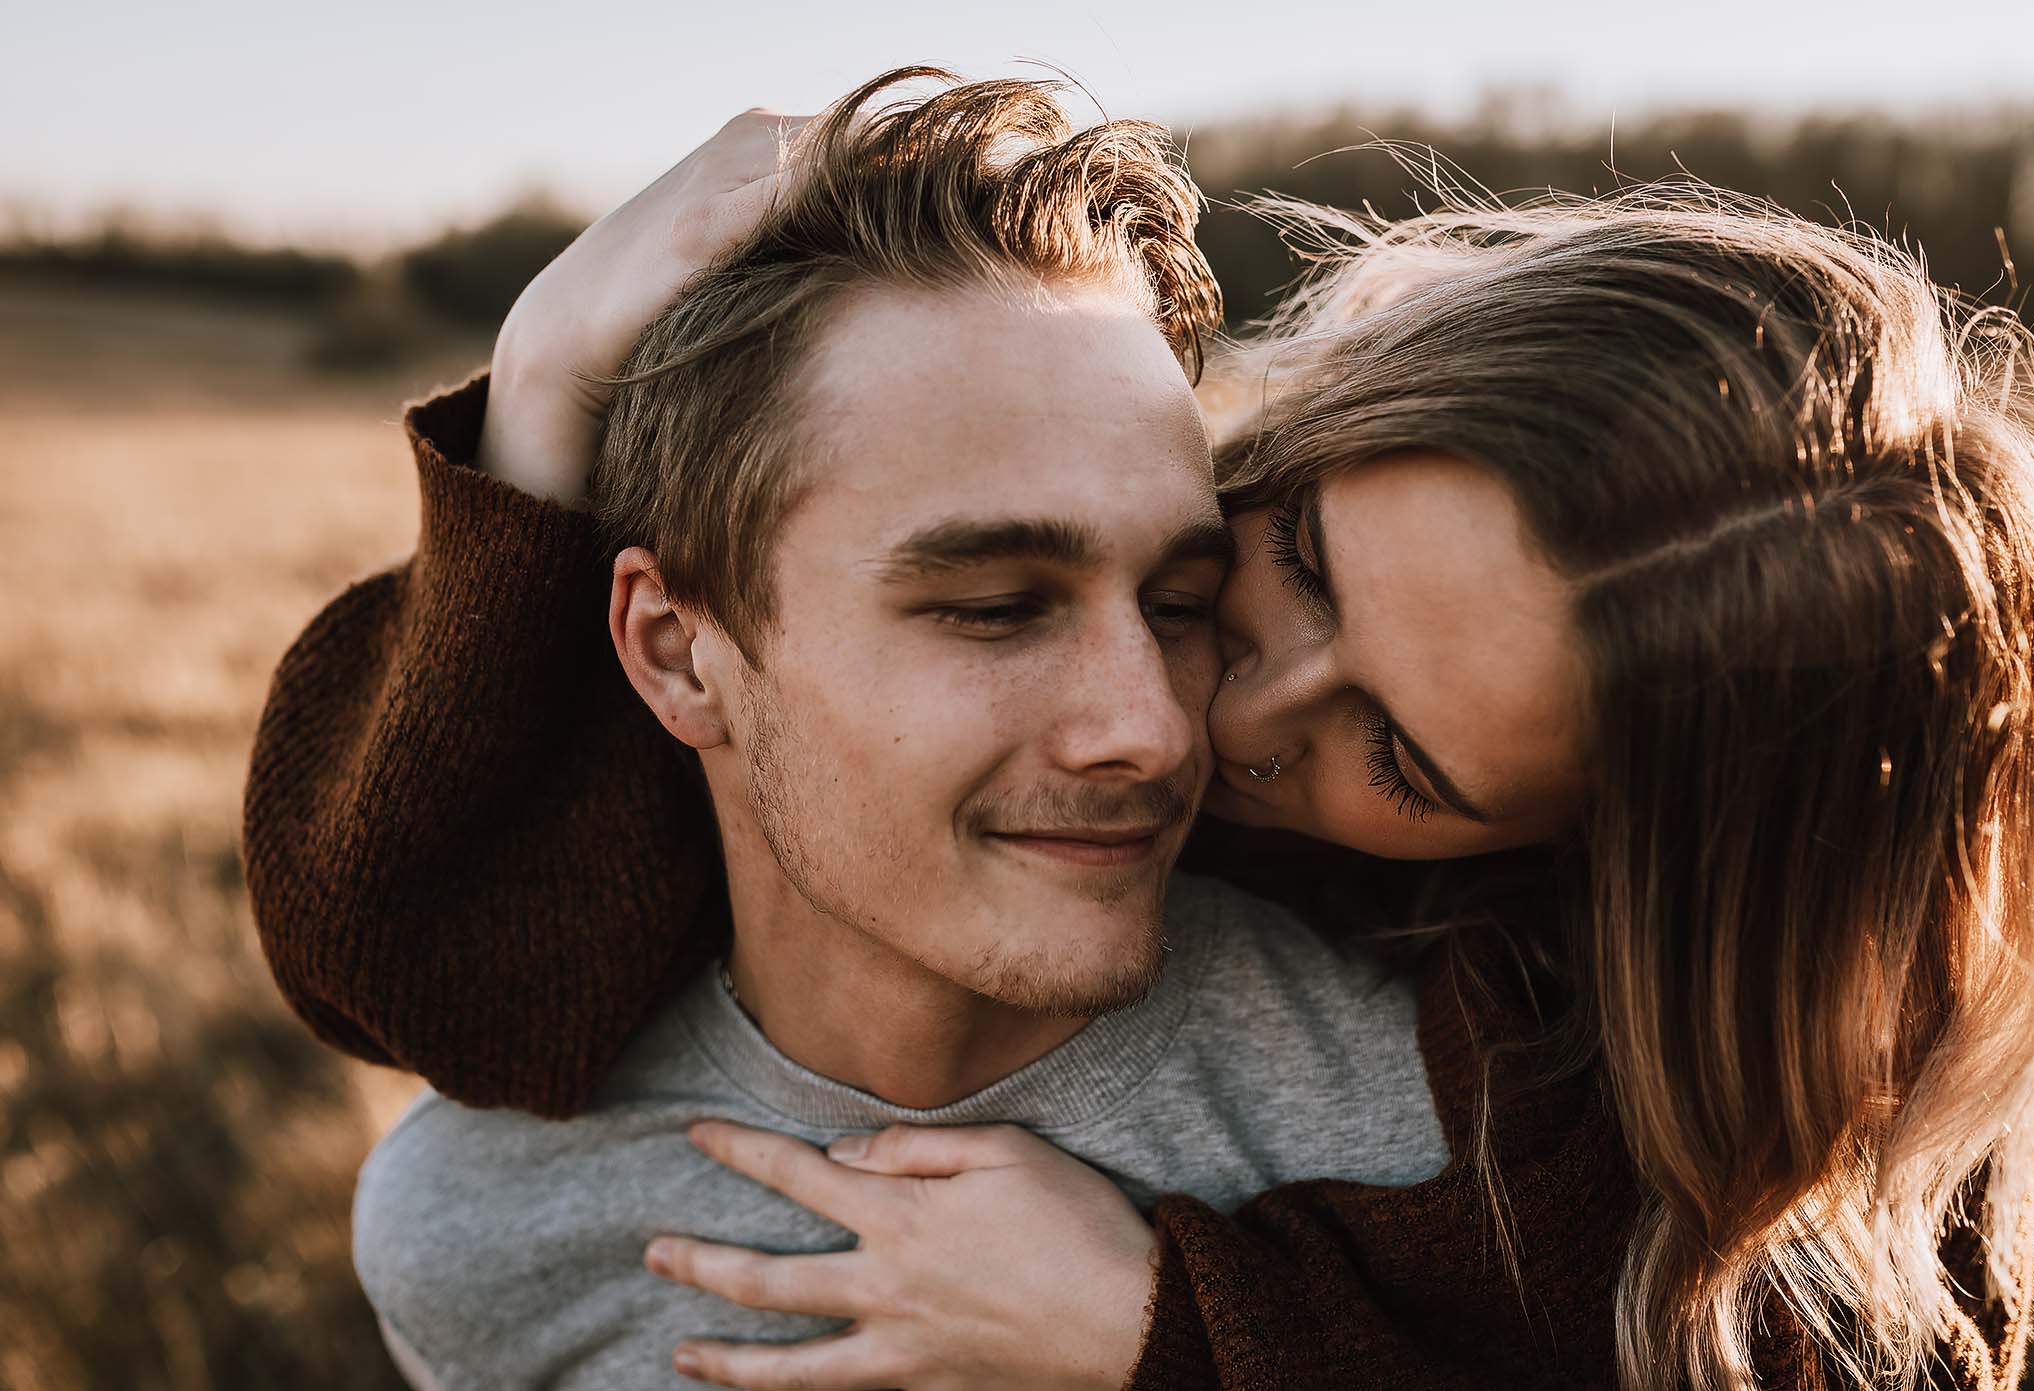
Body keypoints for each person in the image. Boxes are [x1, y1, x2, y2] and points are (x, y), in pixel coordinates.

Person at [240, 75, 2034, 1391]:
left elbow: (1827, 1327)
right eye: (1274, 567)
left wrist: (1177, 1333)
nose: (1185, 722)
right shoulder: (489, 1220)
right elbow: (407, 937)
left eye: (1409, 760)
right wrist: (547, 391)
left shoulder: (1524, 1115)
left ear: (1567, 846)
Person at [335, 68, 1472, 1391]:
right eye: (995, 609)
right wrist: (538, 382)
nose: (1154, 730)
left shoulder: (1439, 1133)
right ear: (675, 651)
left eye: (1181, 600)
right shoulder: (478, 1232)